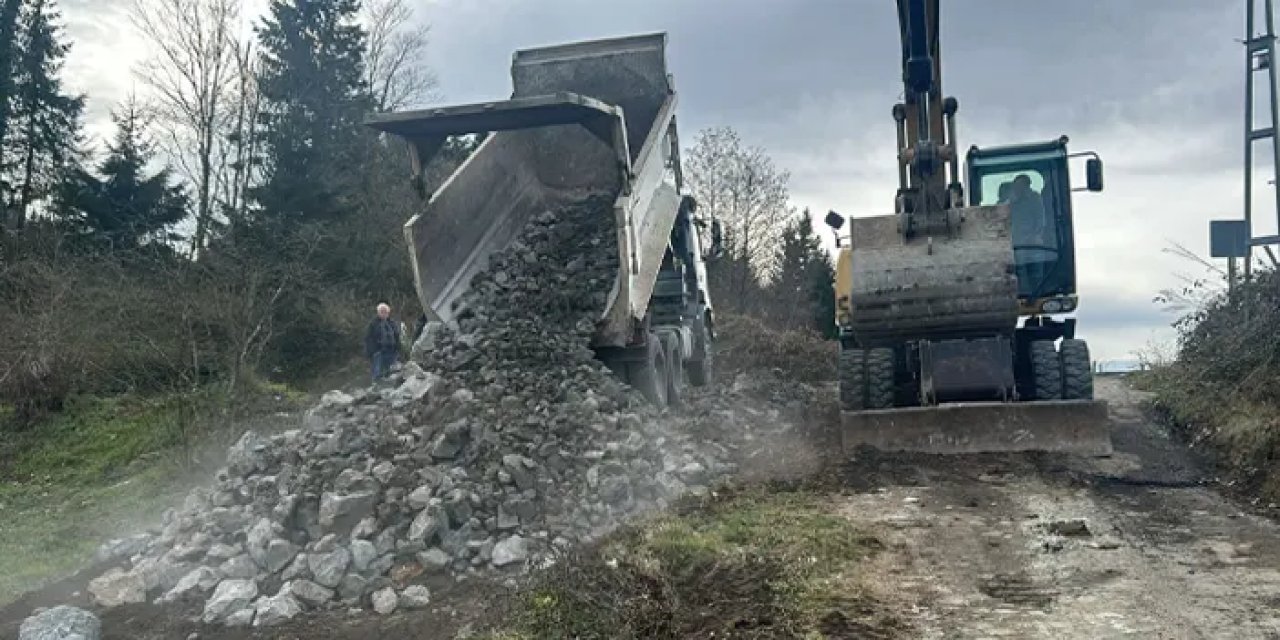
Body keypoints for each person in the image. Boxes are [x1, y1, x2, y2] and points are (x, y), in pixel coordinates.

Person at [364, 303, 401, 381]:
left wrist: (398, 348)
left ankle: (388, 388)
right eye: (382, 312)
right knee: (377, 373)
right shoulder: (373, 324)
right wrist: (372, 351)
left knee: (390, 372)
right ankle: (376, 387)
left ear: (388, 313)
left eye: (385, 312)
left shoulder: (392, 323)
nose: (384, 314)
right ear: (378, 313)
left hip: (391, 350)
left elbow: (396, 336)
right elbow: (368, 338)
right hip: (378, 351)